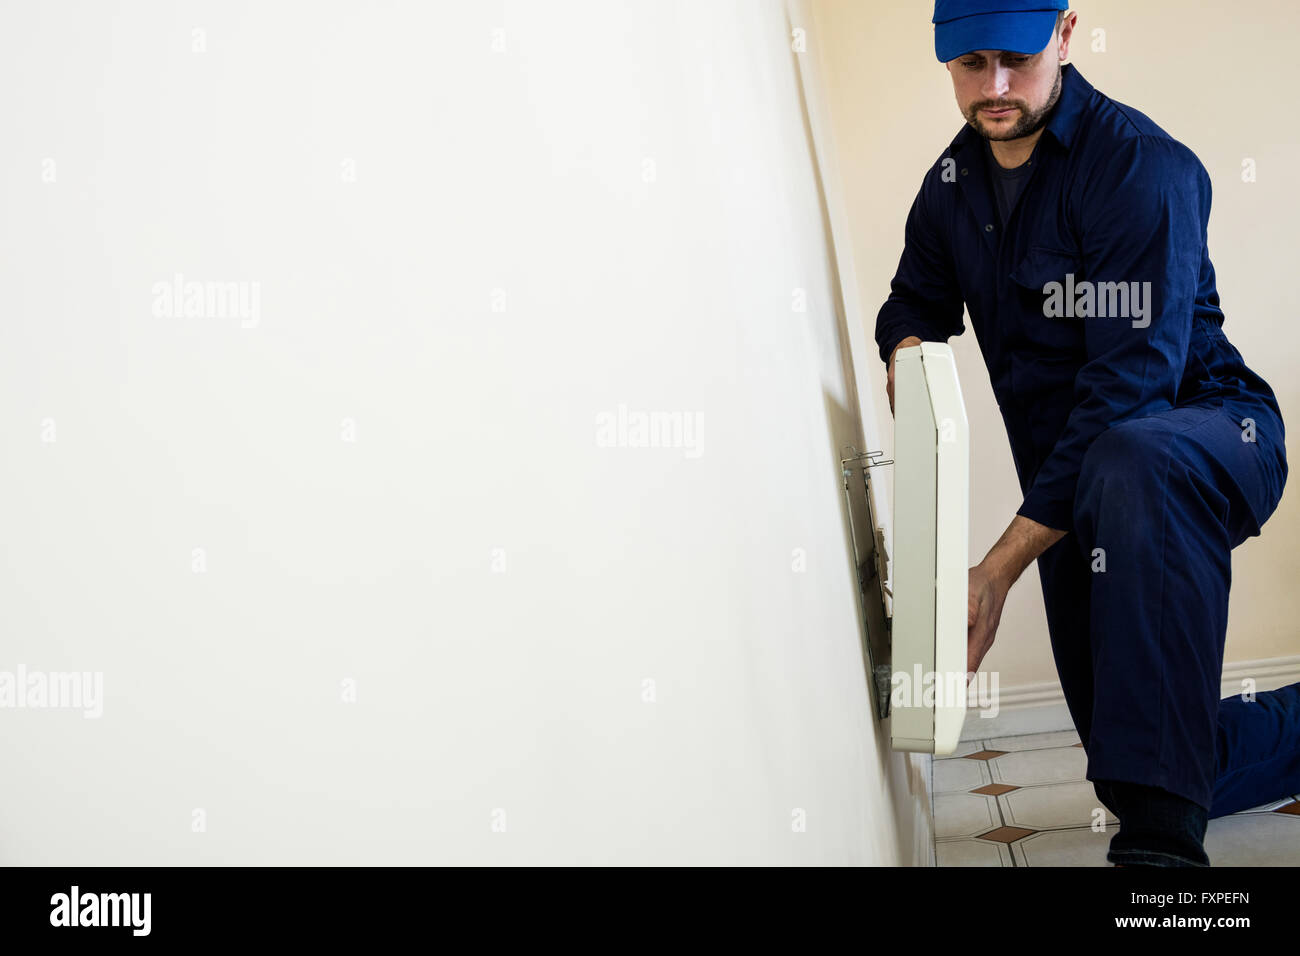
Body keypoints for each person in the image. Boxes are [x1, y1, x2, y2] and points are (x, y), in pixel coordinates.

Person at [876, 1, 1300, 866]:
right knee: (1143, 758)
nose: (992, 86)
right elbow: (913, 298)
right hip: (1080, 494)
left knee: (1132, 454)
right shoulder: (952, 186)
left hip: (1208, 437)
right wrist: (908, 354)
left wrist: (995, 573)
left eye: (1014, 58)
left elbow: (1129, 395)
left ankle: (1160, 875)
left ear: (1065, 36)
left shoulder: (1141, 167)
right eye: (968, 64)